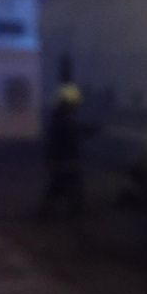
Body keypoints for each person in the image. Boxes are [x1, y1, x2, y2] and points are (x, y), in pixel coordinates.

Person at [41, 83, 85, 219]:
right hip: (65, 159)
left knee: (58, 185)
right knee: (69, 184)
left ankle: (47, 210)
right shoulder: (65, 118)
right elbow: (73, 132)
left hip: (59, 158)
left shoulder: (59, 117)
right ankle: (72, 211)